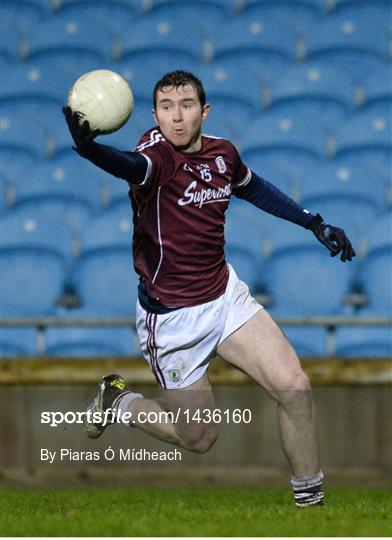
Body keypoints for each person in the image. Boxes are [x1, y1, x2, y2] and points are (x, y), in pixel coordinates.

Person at [63, 70, 355, 508]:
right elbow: (130, 165)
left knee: (294, 385)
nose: (176, 118)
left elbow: (256, 189)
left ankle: (312, 509)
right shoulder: (156, 158)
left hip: (224, 297)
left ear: (205, 111)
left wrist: (314, 222)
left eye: (186, 106)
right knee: (200, 437)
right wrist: (90, 151)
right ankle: (118, 401)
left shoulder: (222, 154)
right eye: (166, 107)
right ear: (154, 113)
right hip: (174, 318)